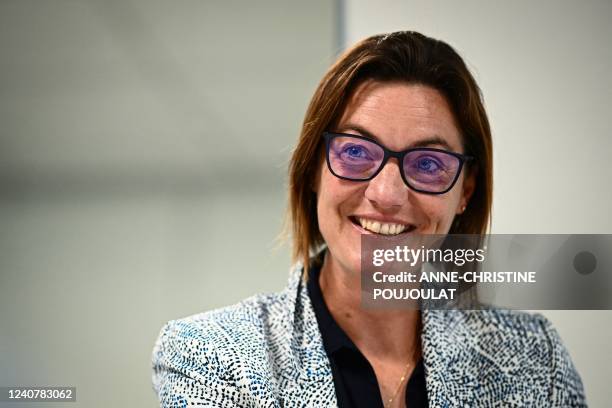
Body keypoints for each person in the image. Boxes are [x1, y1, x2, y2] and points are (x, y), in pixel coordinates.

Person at [151, 31, 586, 407]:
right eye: (356, 152)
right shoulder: (211, 355)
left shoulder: (535, 357)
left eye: (429, 163)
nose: (387, 194)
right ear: (313, 170)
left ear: (465, 192)